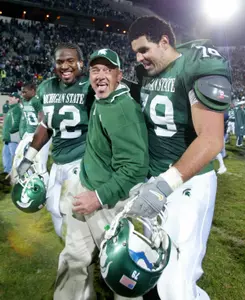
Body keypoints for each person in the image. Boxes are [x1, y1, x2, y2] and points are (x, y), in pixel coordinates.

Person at [127, 16, 231, 300]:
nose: (139, 57)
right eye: (135, 52)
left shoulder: (196, 62)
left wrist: (164, 185)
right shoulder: (147, 73)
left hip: (189, 183)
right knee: (150, 266)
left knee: (177, 287)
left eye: (144, 49)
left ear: (164, 41)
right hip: (156, 179)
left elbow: (211, 139)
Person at [54, 49, 149, 300]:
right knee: (74, 258)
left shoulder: (122, 110)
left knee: (120, 270)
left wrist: (96, 197)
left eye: (107, 70)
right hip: (85, 189)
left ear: (120, 75)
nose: (100, 75)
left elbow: (135, 168)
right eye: (96, 70)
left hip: (107, 201)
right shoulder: (101, 99)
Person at [16, 43, 92, 238]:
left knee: (76, 211)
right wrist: (29, 157)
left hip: (81, 159)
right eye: (60, 62)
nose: (65, 66)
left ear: (81, 63)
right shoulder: (46, 87)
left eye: (70, 61)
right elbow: (45, 125)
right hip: (58, 160)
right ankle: (68, 246)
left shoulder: (90, 87)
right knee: (52, 207)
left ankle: (84, 250)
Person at [11, 82, 50, 185]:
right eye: (22, 92)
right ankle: (19, 181)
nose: (22, 94)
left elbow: (42, 117)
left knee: (39, 163)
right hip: (28, 134)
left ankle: (45, 186)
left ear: (33, 91)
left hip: (37, 134)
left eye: (25, 92)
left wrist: (39, 132)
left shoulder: (36, 101)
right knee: (18, 157)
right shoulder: (24, 101)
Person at [1, 93, 22, 180]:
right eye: (9, 97)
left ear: (17, 99)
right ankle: (8, 174)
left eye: (12, 97)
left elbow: (17, 122)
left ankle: (19, 176)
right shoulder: (11, 109)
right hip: (7, 138)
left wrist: (10, 131)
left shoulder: (17, 109)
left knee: (15, 157)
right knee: (6, 156)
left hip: (13, 138)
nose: (10, 99)